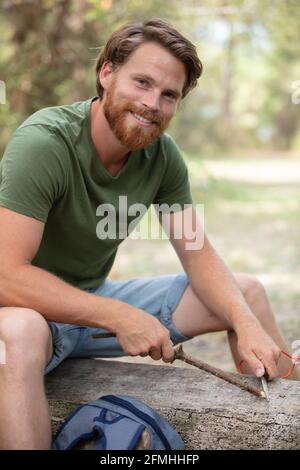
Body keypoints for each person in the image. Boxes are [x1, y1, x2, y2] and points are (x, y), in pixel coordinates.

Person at [0, 18, 297, 450]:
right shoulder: (46, 142)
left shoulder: (162, 157)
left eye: (168, 95)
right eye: (141, 82)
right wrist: (119, 316)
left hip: (90, 306)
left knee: (245, 296)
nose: (151, 103)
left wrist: (246, 324)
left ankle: (289, 417)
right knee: (21, 332)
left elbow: (198, 254)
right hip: (25, 314)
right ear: (106, 73)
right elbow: (6, 275)